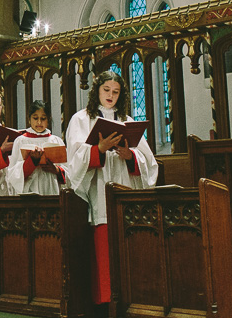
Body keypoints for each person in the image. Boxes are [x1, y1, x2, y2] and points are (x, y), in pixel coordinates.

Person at [66, 70, 158, 309]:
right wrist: (99, 148)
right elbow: (74, 159)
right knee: (105, 255)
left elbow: (149, 162)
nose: (110, 95)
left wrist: (130, 156)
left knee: (126, 255)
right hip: (99, 193)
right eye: (106, 90)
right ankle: (105, 306)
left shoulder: (126, 119)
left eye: (116, 92)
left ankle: (129, 303)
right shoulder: (81, 119)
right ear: (96, 90)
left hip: (124, 192)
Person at [7, 100, 68, 195]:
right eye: (35, 118)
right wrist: (32, 161)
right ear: (29, 119)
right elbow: (13, 173)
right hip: (30, 188)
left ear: (49, 119)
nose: (39, 122)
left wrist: (56, 169)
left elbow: (69, 171)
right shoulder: (21, 141)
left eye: (43, 118)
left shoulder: (56, 141)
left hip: (51, 187)